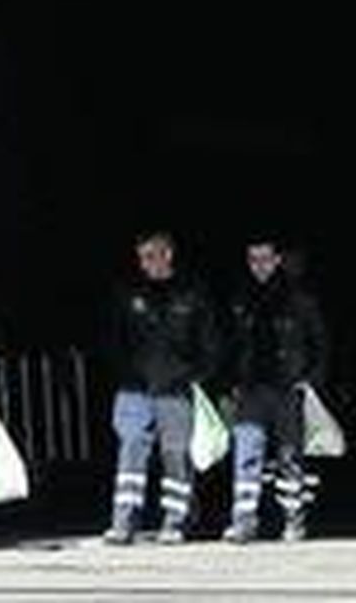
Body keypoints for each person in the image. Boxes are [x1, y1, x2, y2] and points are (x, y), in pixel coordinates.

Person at [103, 231, 220, 545]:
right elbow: (113, 340)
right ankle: (123, 523)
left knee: (176, 455)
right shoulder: (128, 293)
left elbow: (210, 343)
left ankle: (175, 523)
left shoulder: (192, 294)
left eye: (152, 255)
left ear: (168, 254)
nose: (146, 263)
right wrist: (124, 374)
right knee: (131, 450)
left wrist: (195, 376)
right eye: (142, 257)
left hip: (176, 389)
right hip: (134, 389)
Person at [221, 239, 331, 544]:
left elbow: (320, 344)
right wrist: (228, 383)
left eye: (265, 258)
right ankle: (244, 522)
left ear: (278, 259)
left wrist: (310, 380)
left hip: (287, 388)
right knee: (246, 455)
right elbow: (228, 345)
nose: (259, 265)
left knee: (289, 456)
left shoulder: (300, 299)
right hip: (250, 389)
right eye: (253, 259)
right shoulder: (239, 299)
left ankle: (294, 521)